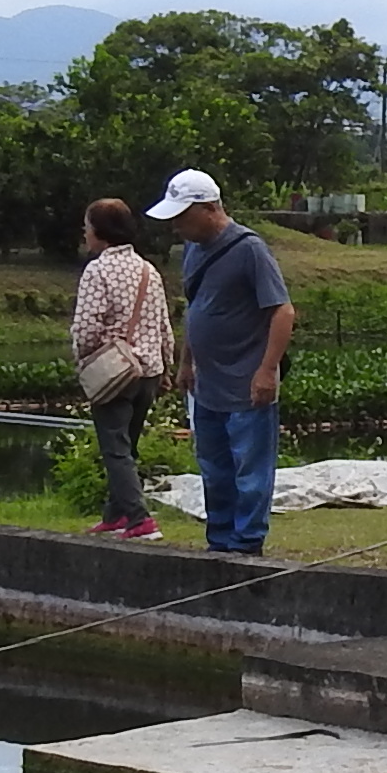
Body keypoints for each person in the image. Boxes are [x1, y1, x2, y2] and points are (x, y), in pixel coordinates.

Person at [148, 168, 298, 557]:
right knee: (214, 469)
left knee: (250, 470)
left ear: (209, 208)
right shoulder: (193, 251)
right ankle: (220, 541)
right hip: (208, 382)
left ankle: (246, 543)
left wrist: (267, 370)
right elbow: (197, 310)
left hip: (246, 380)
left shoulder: (249, 249)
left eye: (183, 216)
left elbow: (282, 311)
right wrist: (186, 362)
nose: (177, 226)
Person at [68, 197, 173, 541]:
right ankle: (115, 515)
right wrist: (166, 365)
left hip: (116, 372)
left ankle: (140, 519)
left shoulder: (97, 270)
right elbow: (163, 326)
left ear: (99, 231)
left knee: (114, 447)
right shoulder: (149, 270)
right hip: (149, 372)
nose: (84, 233)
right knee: (129, 445)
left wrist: (84, 359)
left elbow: (85, 328)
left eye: (87, 226)